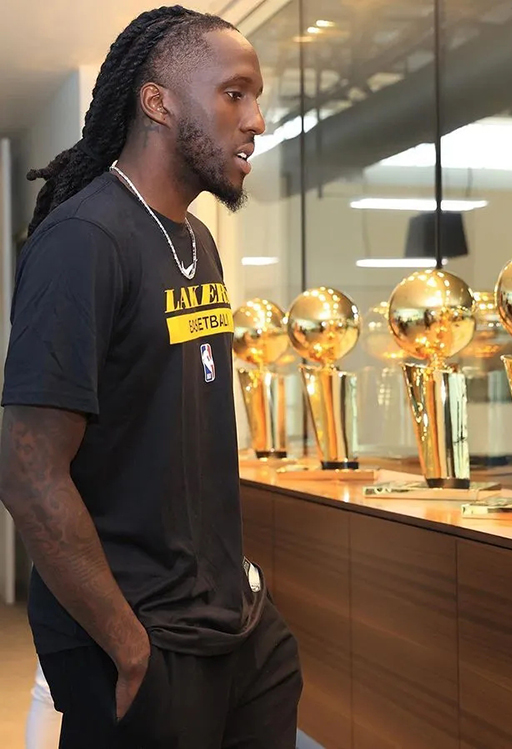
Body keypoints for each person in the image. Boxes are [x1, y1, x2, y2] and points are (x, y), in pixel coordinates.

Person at [0, 6, 302, 748]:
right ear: (158, 102)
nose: (256, 120)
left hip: (233, 624)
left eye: (256, 98)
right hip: (140, 634)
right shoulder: (83, 240)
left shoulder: (197, 240)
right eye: (235, 94)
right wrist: (127, 643)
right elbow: (27, 470)